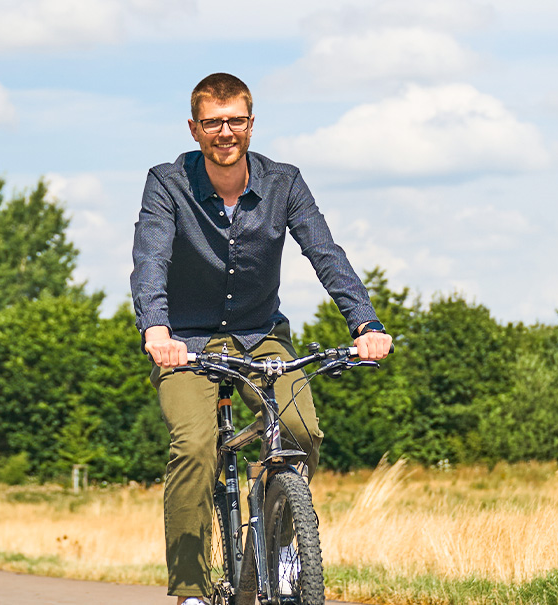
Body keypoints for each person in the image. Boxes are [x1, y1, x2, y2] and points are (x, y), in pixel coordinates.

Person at [130, 73, 393, 605]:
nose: (224, 132)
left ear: (251, 124)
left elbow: (325, 252)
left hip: (261, 335)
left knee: (300, 430)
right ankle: (191, 592)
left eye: (235, 121)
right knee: (195, 447)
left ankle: (275, 543)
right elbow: (151, 257)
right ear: (194, 127)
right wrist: (156, 328)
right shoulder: (167, 182)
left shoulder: (284, 183)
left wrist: (365, 323)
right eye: (212, 123)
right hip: (187, 342)